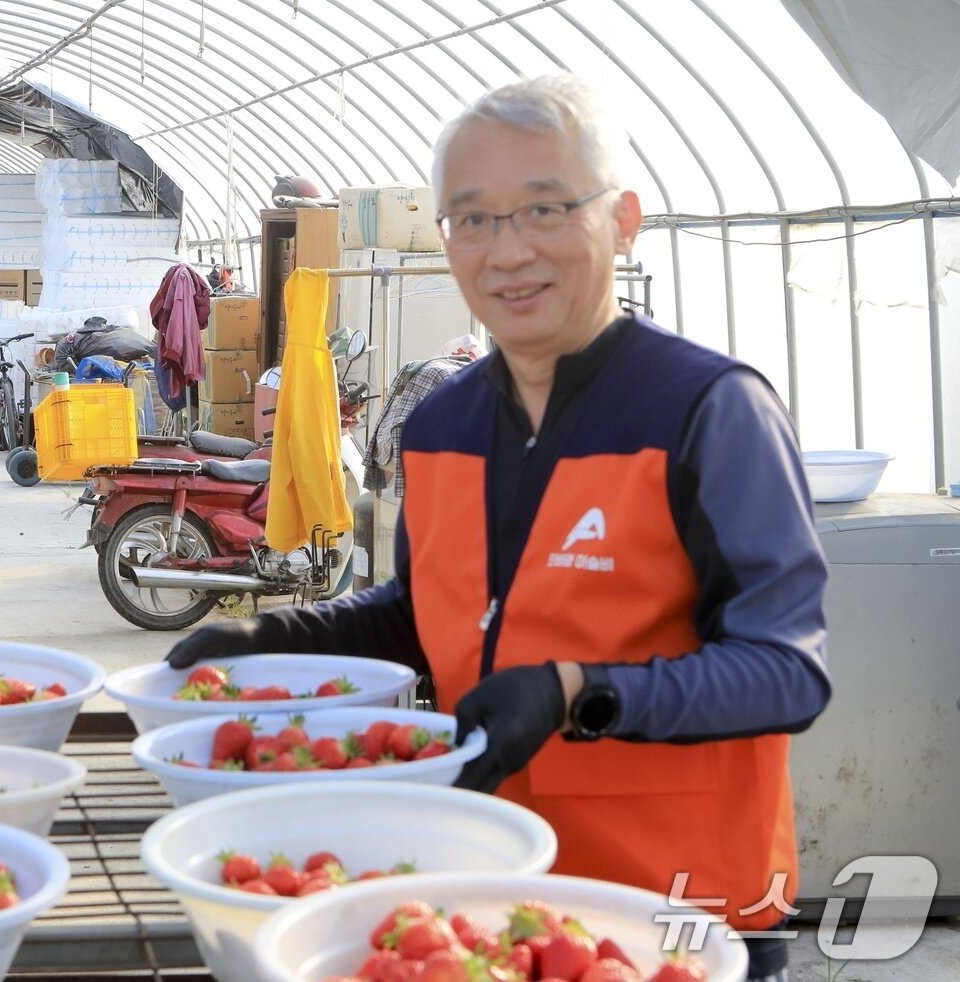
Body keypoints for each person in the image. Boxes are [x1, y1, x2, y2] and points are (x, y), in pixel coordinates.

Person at [166, 73, 830, 982]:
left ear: (624, 221)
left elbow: (787, 672)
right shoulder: (443, 424)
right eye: (473, 218)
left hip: (681, 913)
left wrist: (574, 690)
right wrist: (279, 635)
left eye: (546, 209)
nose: (508, 251)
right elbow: (431, 610)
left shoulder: (707, 411)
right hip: (494, 895)